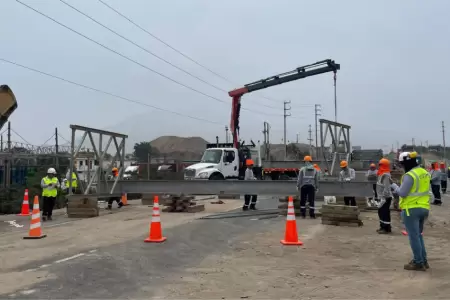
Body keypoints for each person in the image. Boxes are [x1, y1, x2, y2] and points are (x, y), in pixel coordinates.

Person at [391, 151, 430, 271]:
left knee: (414, 237)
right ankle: (423, 260)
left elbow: (402, 193)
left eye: (402, 164)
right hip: (424, 208)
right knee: (419, 236)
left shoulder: (410, 175)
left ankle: (418, 262)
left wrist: (394, 186)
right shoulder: (424, 172)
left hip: (411, 209)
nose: (401, 167)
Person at [376, 158, 393, 234]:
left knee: (384, 212)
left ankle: (386, 228)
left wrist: (383, 197)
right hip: (382, 197)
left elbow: (386, 188)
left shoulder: (385, 174)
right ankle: (383, 226)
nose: (379, 166)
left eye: (381, 165)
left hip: (385, 197)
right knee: (381, 211)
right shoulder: (381, 174)